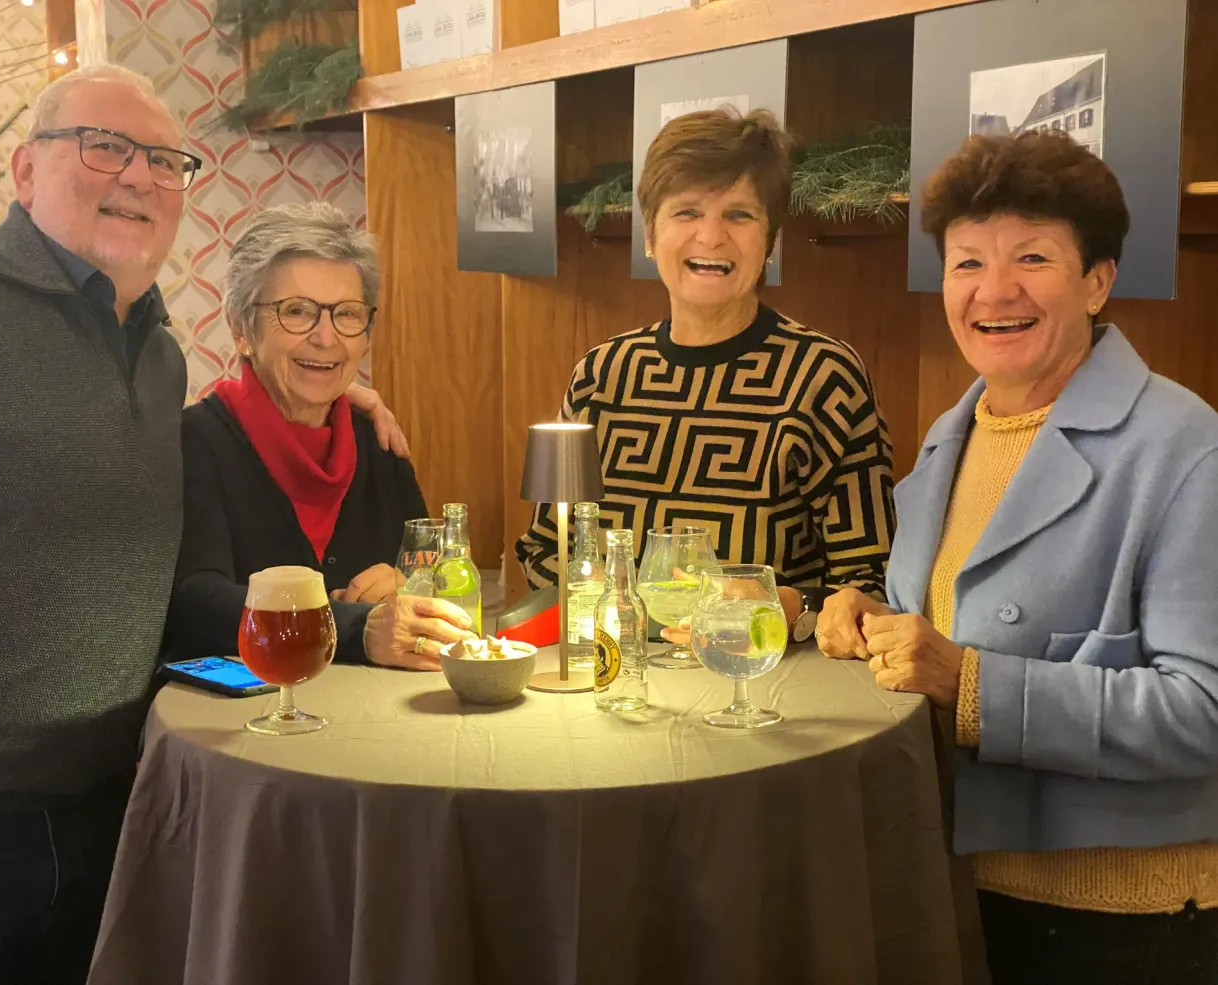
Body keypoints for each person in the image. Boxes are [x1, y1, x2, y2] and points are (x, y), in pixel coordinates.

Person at [0, 66, 406, 984]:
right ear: (24, 171)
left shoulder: (157, 352)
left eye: (166, 160)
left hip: (119, 804)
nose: (139, 176)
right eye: (104, 146)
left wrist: (334, 389)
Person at [817, 129, 1218, 984]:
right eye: (966, 263)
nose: (994, 291)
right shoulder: (949, 438)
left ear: (1098, 279)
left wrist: (967, 682)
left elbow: (1205, 711)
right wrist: (875, 619)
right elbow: (941, 632)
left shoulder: (1187, 448)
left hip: (1119, 922)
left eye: (1031, 257)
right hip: (950, 889)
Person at [515, 107, 896, 633]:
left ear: (770, 241)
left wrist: (786, 606)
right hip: (615, 674)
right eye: (686, 212)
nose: (711, 237)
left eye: (740, 215)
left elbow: (869, 582)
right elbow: (544, 548)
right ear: (649, 235)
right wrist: (621, 613)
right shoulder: (601, 376)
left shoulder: (823, 377)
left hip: (766, 684)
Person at [167, 203, 476, 669]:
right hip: (245, 722)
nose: (326, 337)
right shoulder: (196, 442)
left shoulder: (378, 440)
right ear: (240, 328)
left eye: (347, 314)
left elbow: (431, 568)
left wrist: (408, 586)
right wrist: (355, 626)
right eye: (297, 311)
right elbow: (196, 602)